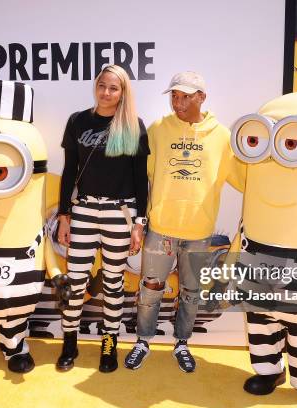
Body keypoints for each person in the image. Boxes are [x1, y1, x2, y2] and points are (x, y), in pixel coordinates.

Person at [124, 71, 244, 373]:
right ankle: (143, 341)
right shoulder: (157, 130)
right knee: (150, 289)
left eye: (185, 96)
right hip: (161, 229)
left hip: (199, 233)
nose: (178, 102)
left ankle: (182, 343)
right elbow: (140, 177)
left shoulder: (222, 137)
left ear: (202, 97)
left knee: (191, 294)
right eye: (174, 95)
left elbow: (243, 180)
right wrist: (137, 220)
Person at [56, 64, 149, 373]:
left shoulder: (134, 126)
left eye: (114, 88)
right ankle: (70, 343)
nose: (107, 93)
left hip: (120, 213)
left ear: (123, 92)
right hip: (82, 210)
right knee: (76, 280)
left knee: (112, 283)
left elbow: (140, 180)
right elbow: (69, 171)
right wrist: (64, 216)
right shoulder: (78, 121)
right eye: (103, 86)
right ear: (95, 86)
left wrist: (139, 223)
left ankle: (109, 345)